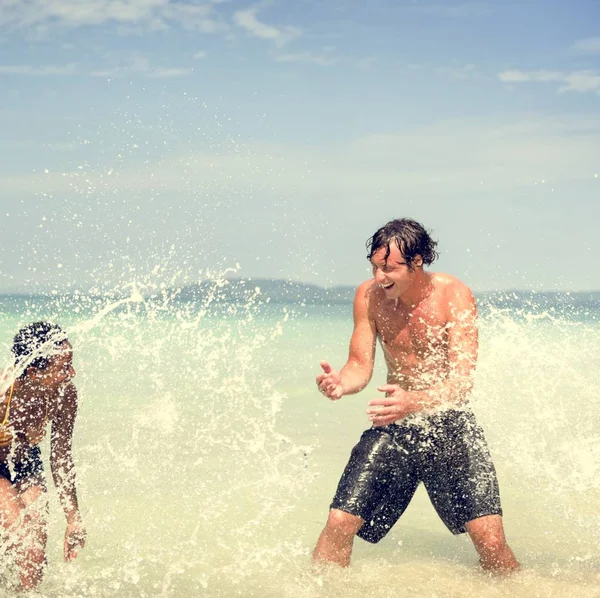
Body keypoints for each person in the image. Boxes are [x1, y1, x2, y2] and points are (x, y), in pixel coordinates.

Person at [313, 218, 519, 573]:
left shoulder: (453, 294)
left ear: (418, 261)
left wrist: (415, 400)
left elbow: (461, 383)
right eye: (376, 267)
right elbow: (360, 365)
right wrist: (341, 384)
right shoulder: (369, 296)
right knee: (338, 522)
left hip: (449, 426)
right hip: (395, 425)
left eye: (390, 268)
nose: (380, 277)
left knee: (489, 539)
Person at [0, 321, 86, 590]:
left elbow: (61, 457)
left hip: (26, 462)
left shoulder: (64, 394)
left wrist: (73, 519)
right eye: (63, 367)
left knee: (35, 552)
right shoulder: (4, 391)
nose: (72, 372)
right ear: (35, 372)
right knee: (21, 534)